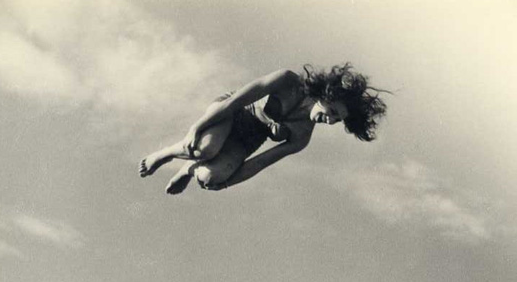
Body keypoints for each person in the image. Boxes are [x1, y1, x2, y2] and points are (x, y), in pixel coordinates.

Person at [139, 64, 387, 194]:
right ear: (328, 94)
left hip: (246, 142)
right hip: (232, 114)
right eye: (333, 112)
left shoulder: (302, 137)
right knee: (205, 149)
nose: (330, 121)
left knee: (208, 178)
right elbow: (234, 102)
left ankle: (189, 170)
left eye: (337, 121)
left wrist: (225, 183)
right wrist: (196, 127)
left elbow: (259, 162)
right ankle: (167, 153)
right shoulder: (288, 81)